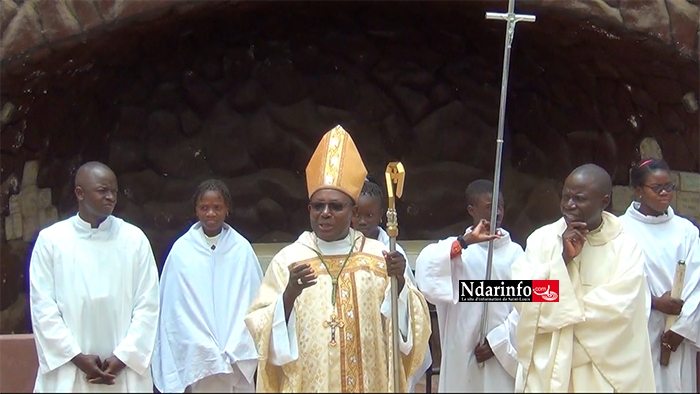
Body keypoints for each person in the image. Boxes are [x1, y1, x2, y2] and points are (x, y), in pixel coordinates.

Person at [244, 125, 431, 392]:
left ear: (353, 212)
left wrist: (399, 283)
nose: (325, 213)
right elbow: (259, 329)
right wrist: (288, 295)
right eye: (318, 206)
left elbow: (410, 330)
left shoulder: (379, 258)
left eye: (336, 206)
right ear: (309, 209)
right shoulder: (289, 261)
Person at [511, 163, 655, 392]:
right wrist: (562, 260)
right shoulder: (542, 240)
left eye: (579, 199)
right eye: (565, 197)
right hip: (550, 369)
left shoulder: (626, 248)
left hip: (601, 372)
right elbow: (522, 293)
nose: (569, 205)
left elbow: (619, 310)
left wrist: (561, 322)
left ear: (604, 201)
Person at [29, 161, 159, 392]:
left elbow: (148, 305)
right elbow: (43, 309)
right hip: (69, 370)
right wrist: (76, 356)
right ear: (80, 193)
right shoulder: (52, 241)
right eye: (103, 190)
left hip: (122, 372)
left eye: (114, 191)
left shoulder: (134, 240)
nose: (111, 197)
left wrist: (123, 357)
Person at [152, 179, 263, 393]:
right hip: (198, 356)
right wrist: (201, 345)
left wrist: (235, 342)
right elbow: (174, 308)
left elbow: (253, 300)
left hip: (234, 356)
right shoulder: (181, 251)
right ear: (196, 210)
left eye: (217, 207)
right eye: (204, 208)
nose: (210, 213)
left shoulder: (241, 250)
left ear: (227, 209)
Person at [414, 179, 523, 392]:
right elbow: (426, 270)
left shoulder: (516, 254)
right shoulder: (457, 252)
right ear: (472, 210)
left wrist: (497, 342)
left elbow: (526, 308)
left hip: (500, 356)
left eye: (500, 206)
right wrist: (464, 242)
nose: (497, 213)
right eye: (490, 207)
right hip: (462, 351)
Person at [619, 158, 700, 393]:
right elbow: (614, 282)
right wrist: (653, 302)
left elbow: (697, 284)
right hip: (638, 330)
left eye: (669, 187)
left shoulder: (686, 231)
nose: (665, 193)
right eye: (657, 188)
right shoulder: (620, 230)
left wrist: (680, 329)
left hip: (677, 333)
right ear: (638, 191)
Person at [351, 178, 432, 393]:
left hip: (380, 344)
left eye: (369, 215)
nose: (361, 221)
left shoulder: (392, 251)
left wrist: (400, 280)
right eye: (356, 214)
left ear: (381, 216)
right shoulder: (340, 248)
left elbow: (409, 307)